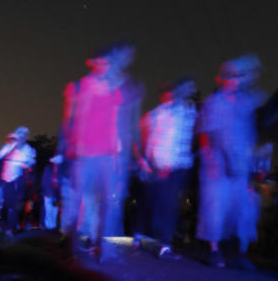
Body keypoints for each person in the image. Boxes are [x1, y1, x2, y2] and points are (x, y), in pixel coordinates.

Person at [61, 40, 144, 261]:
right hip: (84, 156)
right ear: (91, 63)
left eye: (108, 62)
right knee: (76, 203)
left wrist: (132, 153)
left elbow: (129, 122)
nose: (104, 66)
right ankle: (67, 248)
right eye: (100, 62)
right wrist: (67, 148)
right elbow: (67, 121)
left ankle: (107, 251)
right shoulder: (78, 88)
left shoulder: (121, 90)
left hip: (111, 157)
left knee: (112, 204)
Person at [197, 55, 265, 269]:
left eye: (238, 77)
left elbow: (256, 130)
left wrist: (256, 163)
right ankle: (215, 251)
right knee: (215, 207)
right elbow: (205, 134)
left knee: (245, 208)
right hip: (217, 164)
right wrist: (211, 159)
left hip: (242, 163)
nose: (234, 81)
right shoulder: (213, 102)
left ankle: (242, 253)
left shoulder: (247, 103)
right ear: (221, 79)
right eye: (230, 77)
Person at [138, 76, 199, 258]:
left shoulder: (188, 110)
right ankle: (158, 243)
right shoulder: (157, 114)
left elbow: (194, 131)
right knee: (160, 202)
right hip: (161, 165)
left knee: (169, 204)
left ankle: (160, 242)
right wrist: (150, 161)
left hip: (180, 165)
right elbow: (146, 138)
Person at [0, 126, 36, 233]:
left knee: (14, 205)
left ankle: (11, 227)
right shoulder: (8, 147)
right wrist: (9, 148)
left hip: (17, 180)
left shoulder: (28, 149)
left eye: (22, 136)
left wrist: (23, 162)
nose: (20, 138)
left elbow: (30, 162)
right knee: (2, 204)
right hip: (4, 180)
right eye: (18, 136)